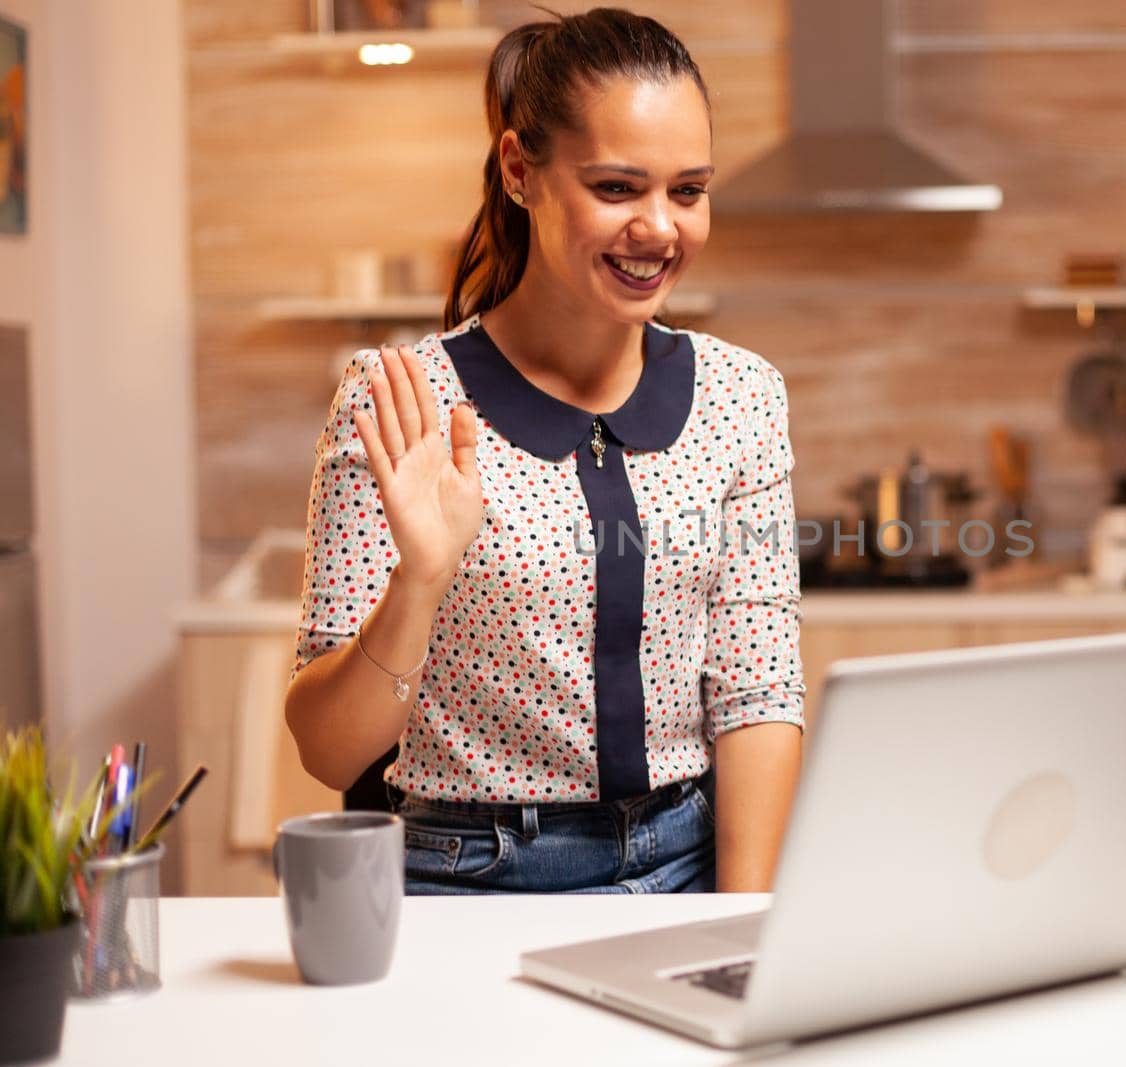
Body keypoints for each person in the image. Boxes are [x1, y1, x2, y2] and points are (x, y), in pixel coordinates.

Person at [284, 8, 805, 895]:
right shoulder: (404, 398)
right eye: (616, 188)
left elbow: (757, 693)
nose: (660, 228)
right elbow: (326, 746)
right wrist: (419, 580)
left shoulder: (741, 396)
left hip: (685, 864)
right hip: (466, 878)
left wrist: (739, 923)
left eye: (688, 190)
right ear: (521, 171)